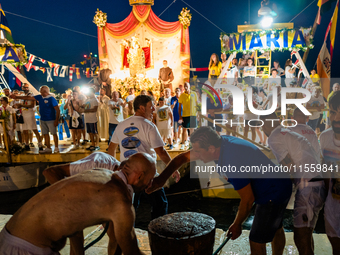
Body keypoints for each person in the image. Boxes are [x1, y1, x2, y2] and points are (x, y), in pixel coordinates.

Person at [147, 126, 292, 255]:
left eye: (198, 151)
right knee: (276, 226)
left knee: (256, 240)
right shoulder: (219, 143)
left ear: (211, 149)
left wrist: (237, 224)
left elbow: (248, 200)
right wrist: (161, 180)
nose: (195, 154)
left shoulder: (231, 161)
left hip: (273, 192)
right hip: (280, 182)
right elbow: (182, 159)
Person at [0, 152, 156, 255]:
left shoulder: (100, 172)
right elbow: (131, 252)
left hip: (10, 235)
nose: (149, 186)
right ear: (140, 177)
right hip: (24, 248)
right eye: (149, 182)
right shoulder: (121, 203)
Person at [262, 113, 326, 255]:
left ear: (266, 124)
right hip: (318, 185)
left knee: (301, 238)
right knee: (306, 235)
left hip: (308, 188)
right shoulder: (288, 132)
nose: (262, 130)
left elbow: (288, 167)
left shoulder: (274, 137)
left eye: (262, 125)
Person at [108, 95, 180, 219]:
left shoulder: (121, 125)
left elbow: (111, 149)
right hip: (147, 175)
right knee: (160, 205)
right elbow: (161, 152)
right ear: (141, 108)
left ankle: (128, 234)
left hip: (127, 174)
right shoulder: (149, 126)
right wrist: (173, 169)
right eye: (151, 106)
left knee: (130, 207)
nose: (154, 109)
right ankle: (157, 234)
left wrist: (114, 168)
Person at [319, 91, 340, 254]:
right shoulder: (325, 137)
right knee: (335, 244)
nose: (336, 118)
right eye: (333, 112)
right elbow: (325, 167)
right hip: (333, 201)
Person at [12, 86, 60, 154]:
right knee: (45, 134)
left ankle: (56, 148)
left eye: (41, 91)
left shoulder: (51, 99)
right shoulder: (40, 97)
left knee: (54, 133)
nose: (40, 92)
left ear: (45, 92)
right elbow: (28, 98)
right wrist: (17, 97)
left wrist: (56, 120)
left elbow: (58, 110)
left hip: (51, 119)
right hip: (43, 119)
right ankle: (48, 148)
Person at [14, 83, 43, 151]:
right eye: (24, 87)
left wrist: (21, 105)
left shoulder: (31, 95)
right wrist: (17, 106)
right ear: (22, 88)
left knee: (34, 129)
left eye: (27, 87)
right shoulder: (21, 95)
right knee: (25, 131)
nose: (26, 89)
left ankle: (40, 144)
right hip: (24, 114)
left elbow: (32, 105)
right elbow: (21, 105)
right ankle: (27, 145)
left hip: (30, 114)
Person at [178, 82, 198, 150]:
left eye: (187, 85)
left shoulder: (194, 94)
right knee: (184, 130)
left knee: (192, 130)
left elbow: (197, 104)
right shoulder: (182, 95)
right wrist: (180, 116)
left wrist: (197, 114)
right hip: (185, 115)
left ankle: (191, 144)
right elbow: (180, 106)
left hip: (193, 114)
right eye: (185, 86)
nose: (186, 87)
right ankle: (183, 144)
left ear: (189, 86)